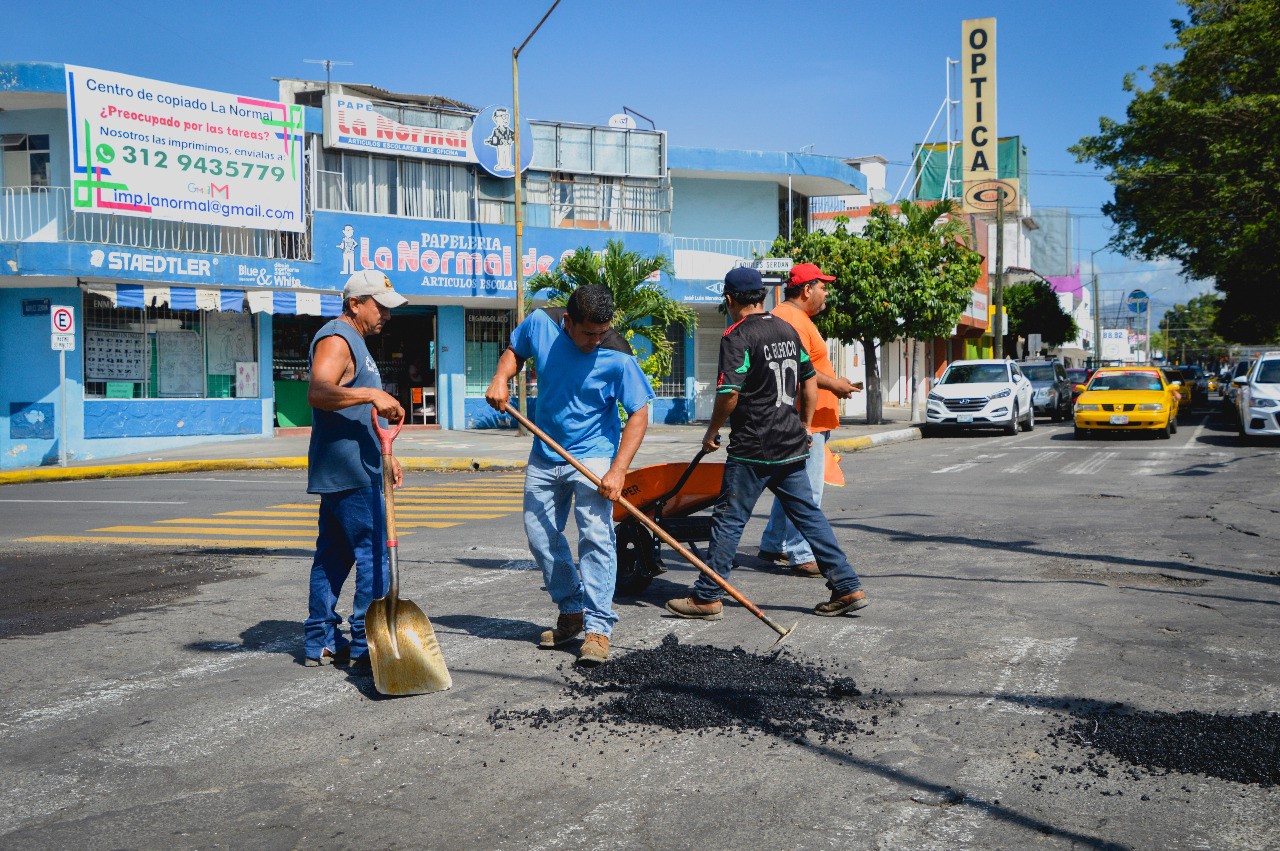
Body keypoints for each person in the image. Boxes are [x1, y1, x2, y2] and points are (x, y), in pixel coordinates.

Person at [666, 266, 867, 621]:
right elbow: (808, 381)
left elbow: (729, 392)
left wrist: (712, 430)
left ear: (729, 299)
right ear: (760, 296)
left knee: (728, 520)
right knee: (809, 516)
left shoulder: (736, 335)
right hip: (790, 444)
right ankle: (847, 585)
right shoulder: (786, 330)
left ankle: (708, 596)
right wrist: (804, 425)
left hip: (752, 448)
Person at [485, 285, 653, 666]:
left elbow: (639, 413)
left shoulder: (618, 356)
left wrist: (618, 471)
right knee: (540, 536)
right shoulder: (541, 324)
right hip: (546, 452)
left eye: (602, 332)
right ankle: (572, 608)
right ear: (568, 322)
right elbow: (515, 352)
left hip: (594, 455)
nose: (596, 340)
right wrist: (501, 377)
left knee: (595, 535)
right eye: (587, 333)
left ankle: (598, 628)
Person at [303, 269, 407, 669]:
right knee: (375, 554)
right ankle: (367, 645)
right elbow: (318, 391)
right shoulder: (336, 337)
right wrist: (372, 392)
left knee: (333, 556)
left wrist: (386, 453)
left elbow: (359, 414)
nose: (386, 315)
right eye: (379, 306)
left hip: (351, 465)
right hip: (348, 471)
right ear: (355, 304)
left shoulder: (355, 342)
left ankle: (322, 640)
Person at [757, 262, 862, 577]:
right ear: (806, 289)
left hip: (812, 420)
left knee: (793, 486)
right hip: (807, 422)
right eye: (823, 286)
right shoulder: (790, 319)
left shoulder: (794, 318)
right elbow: (800, 370)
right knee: (809, 492)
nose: (826, 292)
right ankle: (802, 554)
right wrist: (837, 385)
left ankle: (773, 543)